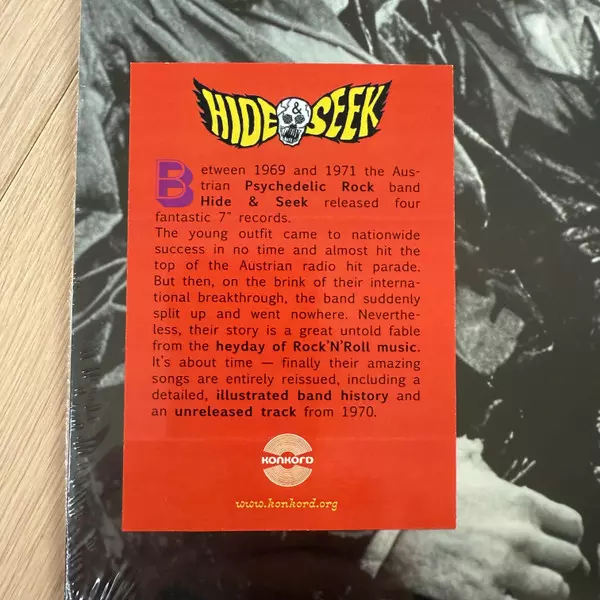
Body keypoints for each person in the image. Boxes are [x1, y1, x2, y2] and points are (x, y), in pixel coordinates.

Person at [69, 0, 598, 598]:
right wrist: (383, 516)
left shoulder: (350, 18)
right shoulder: (93, 29)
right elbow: (87, 347)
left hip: (506, 455)